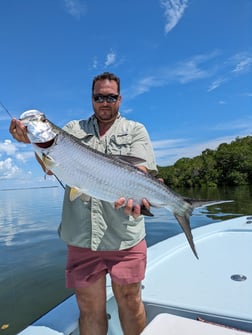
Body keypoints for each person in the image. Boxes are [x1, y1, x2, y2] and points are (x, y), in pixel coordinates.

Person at [9, 72, 158, 335]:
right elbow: (51, 168)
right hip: (81, 237)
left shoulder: (136, 130)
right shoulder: (72, 130)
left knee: (131, 302)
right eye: (99, 96)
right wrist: (31, 143)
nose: (104, 102)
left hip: (126, 237)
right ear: (92, 99)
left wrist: (138, 198)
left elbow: (142, 172)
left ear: (119, 99)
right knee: (88, 307)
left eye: (110, 97)